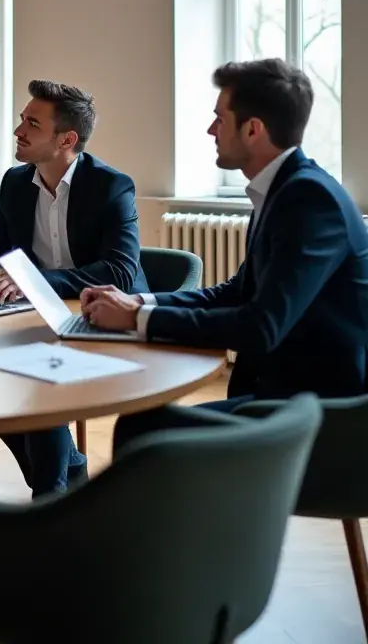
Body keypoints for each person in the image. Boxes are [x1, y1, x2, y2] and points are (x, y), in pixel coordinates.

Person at [81, 59, 368, 448]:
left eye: (220, 118)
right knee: (142, 424)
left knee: (143, 432)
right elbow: (234, 293)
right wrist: (138, 301)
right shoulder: (283, 190)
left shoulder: (308, 199)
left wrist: (138, 317)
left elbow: (260, 327)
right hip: (287, 395)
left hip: (323, 417)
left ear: (252, 129)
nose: (210, 129)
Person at [0, 80, 148, 495]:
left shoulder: (111, 185)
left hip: (103, 318)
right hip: (36, 320)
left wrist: (32, 282)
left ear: (66, 139)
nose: (19, 131)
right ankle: (66, 482)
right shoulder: (15, 184)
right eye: (22, 119)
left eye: (32, 123)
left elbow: (120, 271)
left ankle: (50, 495)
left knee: (35, 377)